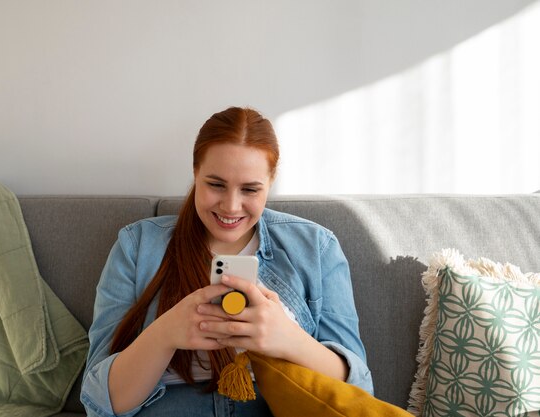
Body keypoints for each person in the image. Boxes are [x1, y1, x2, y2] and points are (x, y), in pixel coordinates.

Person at [80, 107, 373, 417]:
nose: (231, 206)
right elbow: (100, 402)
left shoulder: (316, 247)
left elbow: (359, 391)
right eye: (216, 185)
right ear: (195, 173)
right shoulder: (137, 246)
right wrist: (166, 333)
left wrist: (287, 339)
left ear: (270, 183)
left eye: (250, 189)